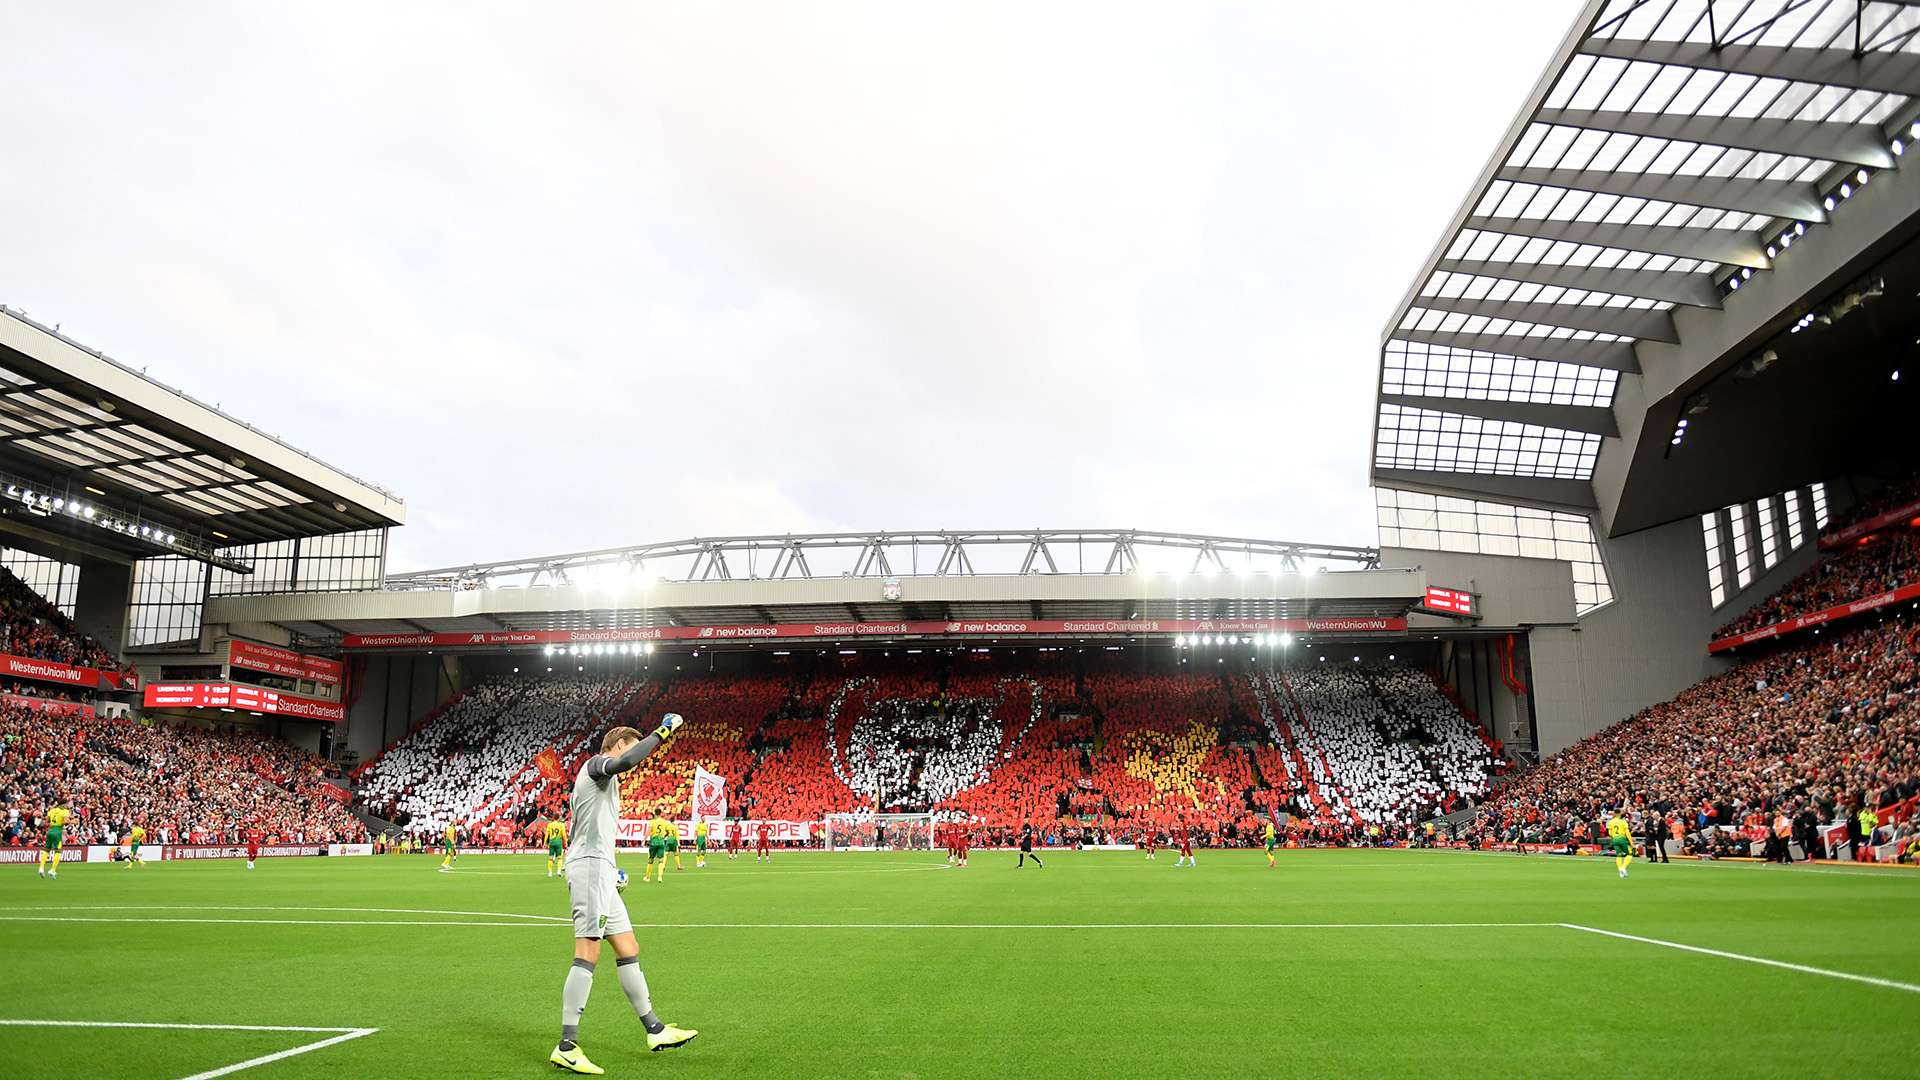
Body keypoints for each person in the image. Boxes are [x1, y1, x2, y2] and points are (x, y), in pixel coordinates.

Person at [550, 719, 697, 1074]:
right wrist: (661, 732)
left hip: (601, 871)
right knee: (588, 951)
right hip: (588, 868)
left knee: (628, 947)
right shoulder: (596, 766)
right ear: (617, 746)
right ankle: (567, 1046)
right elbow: (625, 762)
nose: (633, 756)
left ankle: (655, 1030)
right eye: (630, 747)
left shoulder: (606, 780)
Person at [37, 804, 68, 879]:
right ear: (63, 804)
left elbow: (47, 821)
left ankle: (41, 868)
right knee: (58, 852)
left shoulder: (52, 810)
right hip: (57, 831)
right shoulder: (64, 811)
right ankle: (52, 870)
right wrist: (72, 822)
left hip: (50, 831)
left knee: (46, 850)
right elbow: (65, 821)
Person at [1605, 811, 1633, 879]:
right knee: (1629, 854)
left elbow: (1610, 833)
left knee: (1619, 855)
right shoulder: (1623, 822)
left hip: (1615, 839)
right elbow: (1627, 832)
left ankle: (1621, 871)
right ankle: (1623, 868)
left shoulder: (1611, 822)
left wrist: (1615, 836)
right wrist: (1631, 842)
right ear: (1620, 814)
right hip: (1622, 839)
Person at [644, 815, 671, 883]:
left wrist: (644, 839)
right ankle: (660, 877)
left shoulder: (652, 822)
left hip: (653, 842)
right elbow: (668, 831)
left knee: (651, 859)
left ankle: (647, 877)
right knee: (661, 860)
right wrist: (664, 836)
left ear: (655, 814)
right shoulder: (664, 822)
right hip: (661, 842)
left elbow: (649, 831)